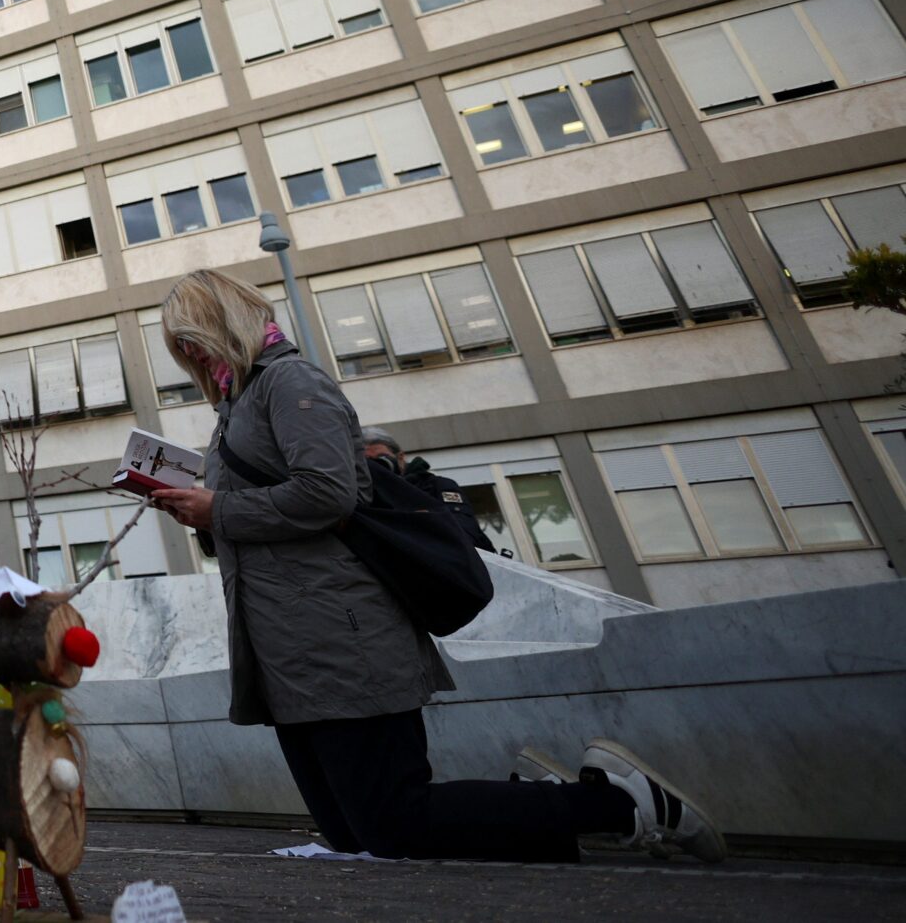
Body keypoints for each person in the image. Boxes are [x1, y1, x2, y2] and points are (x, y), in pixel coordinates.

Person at [145, 270, 724, 864]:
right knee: (354, 832)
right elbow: (261, 517)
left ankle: (624, 807)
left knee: (395, 823)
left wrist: (221, 508)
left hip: (337, 635)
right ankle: (539, 806)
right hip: (284, 644)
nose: (187, 354)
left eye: (191, 337)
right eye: (178, 346)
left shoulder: (289, 382)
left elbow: (328, 494)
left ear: (224, 324)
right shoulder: (235, 404)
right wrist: (202, 515)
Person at [363, 426, 495, 553]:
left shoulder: (437, 486)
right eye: (369, 463)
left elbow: (464, 534)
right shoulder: (364, 498)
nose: (377, 468)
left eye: (381, 459)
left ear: (400, 458)